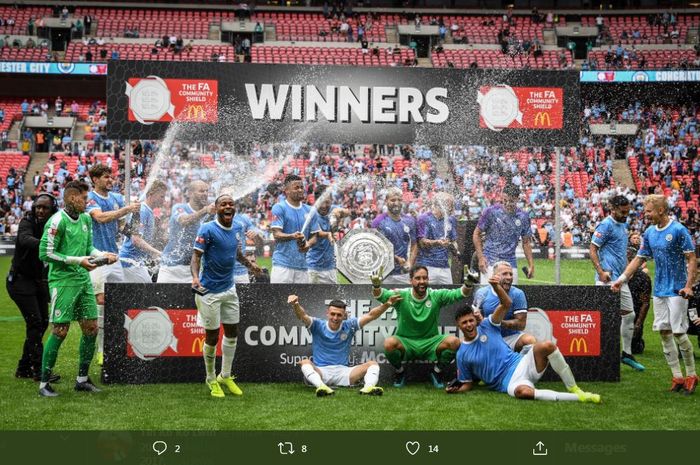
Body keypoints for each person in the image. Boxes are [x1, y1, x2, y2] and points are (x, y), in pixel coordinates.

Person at [448, 275, 601, 403]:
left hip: (522, 363)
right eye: (464, 323)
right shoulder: (462, 353)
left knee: (547, 345)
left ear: (475, 320)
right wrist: (453, 390)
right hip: (508, 383)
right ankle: (578, 398)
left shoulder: (488, 324)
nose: (469, 325)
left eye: (470, 321)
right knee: (524, 393)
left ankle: (574, 388)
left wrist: (496, 287)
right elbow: (467, 384)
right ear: (458, 326)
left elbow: (507, 303)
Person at [38, 181, 118, 397]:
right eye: (84, 198)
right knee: (60, 331)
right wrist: (78, 260)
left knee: (91, 328)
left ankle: (82, 380)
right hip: (62, 282)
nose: (87, 202)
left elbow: (88, 248)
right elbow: (45, 253)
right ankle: (44, 383)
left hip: (83, 280)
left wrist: (102, 255)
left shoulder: (84, 219)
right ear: (72, 198)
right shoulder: (56, 221)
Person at [612, 195, 697, 394]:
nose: (646, 214)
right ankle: (677, 377)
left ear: (660, 210)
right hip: (659, 290)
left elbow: (692, 258)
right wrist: (622, 278)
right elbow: (639, 258)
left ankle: (692, 375)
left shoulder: (678, 230)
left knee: (678, 332)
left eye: (649, 210)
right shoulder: (649, 232)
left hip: (677, 289)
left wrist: (689, 285)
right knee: (665, 333)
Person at [191, 194, 262, 398]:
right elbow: (196, 256)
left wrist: (251, 266)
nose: (228, 206)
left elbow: (237, 252)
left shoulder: (236, 229)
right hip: (209, 291)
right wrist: (195, 278)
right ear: (217, 208)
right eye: (224, 204)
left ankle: (226, 375)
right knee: (212, 336)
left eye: (231, 204)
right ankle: (211, 378)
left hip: (229, 289)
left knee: (232, 333)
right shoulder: (207, 229)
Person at [372, 264, 474, 388]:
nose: (422, 281)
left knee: (454, 342)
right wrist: (376, 286)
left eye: (425, 278)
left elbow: (460, 294)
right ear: (411, 281)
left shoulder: (436, 295)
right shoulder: (401, 295)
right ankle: (400, 372)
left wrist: (468, 284)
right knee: (389, 343)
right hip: (406, 342)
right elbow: (380, 295)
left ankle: (436, 372)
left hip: (431, 342)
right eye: (418, 278)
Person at [287, 293, 402, 396]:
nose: (335, 318)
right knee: (305, 362)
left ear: (344, 315)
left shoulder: (350, 325)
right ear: (327, 313)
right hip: (321, 372)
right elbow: (302, 316)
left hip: (344, 373)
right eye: (333, 314)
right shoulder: (317, 324)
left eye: (339, 315)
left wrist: (388, 304)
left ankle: (368, 388)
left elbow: (371, 315)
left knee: (372, 363)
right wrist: (296, 304)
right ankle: (321, 387)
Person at [86, 164, 140, 365]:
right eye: (106, 177)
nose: (111, 180)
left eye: (112, 177)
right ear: (95, 179)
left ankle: (117, 345)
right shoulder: (91, 198)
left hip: (114, 256)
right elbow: (100, 218)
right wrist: (127, 209)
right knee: (101, 301)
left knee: (119, 302)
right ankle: (100, 350)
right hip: (97, 256)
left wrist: (134, 224)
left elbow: (121, 226)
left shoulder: (117, 198)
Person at [589, 195, 645, 371]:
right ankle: (599, 357)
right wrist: (600, 271)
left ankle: (626, 354)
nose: (625, 214)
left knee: (628, 315)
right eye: (622, 211)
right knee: (605, 319)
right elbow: (592, 249)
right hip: (606, 279)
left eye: (627, 211)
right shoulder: (605, 225)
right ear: (612, 208)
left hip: (621, 279)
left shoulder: (623, 224)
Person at [7, 194, 58, 381]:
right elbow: (25, 239)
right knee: (36, 323)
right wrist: (50, 245)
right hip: (19, 281)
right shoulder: (26, 221)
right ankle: (39, 370)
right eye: (38, 207)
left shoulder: (54, 223)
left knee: (42, 323)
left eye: (45, 208)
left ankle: (23, 368)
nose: (40, 210)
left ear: (53, 209)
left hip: (37, 281)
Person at [473, 184, 534, 284]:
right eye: (505, 200)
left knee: (511, 297)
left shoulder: (523, 217)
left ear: (517, 199)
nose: (507, 203)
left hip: (510, 263)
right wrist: (480, 258)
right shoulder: (491, 212)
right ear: (502, 197)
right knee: (488, 297)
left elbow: (526, 242)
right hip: (490, 262)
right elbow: (476, 234)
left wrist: (531, 265)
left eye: (511, 201)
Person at [472, 261, 535, 352]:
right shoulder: (482, 293)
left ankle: (520, 364)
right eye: (505, 274)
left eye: (511, 274)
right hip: (488, 336)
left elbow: (521, 325)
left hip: (511, 337)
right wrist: (478, 319)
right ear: (494, 276)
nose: (509, 277)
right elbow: (474, 320)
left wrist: (496, 322)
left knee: (530, 341)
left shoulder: (518, 294)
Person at [157, 180, 213, 283]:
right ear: (190, 193)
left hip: (193, 272)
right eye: (201, 191)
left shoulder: (210, 215)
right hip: (170, 269)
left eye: (206, 191)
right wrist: (205, 210)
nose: (205, 194)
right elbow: (184, 221)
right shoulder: (179, 208)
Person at [119, 181, 167, 283]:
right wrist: (158, 253)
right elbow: (136, 240)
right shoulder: (143, 211)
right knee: (148, 292)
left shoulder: (148, 212)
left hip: (135, 262)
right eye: (161, 196)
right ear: (151, 195)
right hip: (130, 262)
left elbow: (127, 231)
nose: (164, 200)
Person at [270, 174, 312, 283]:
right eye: (296, 187)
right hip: (282, 266)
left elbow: (315, 235)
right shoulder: (279, 207)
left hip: (303, 266)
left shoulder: (309, 210)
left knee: (303, 300)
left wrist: (309, 243)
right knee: (279, 300)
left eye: (302, 187)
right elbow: (276, 234)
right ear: (287, 191)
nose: (300, 190)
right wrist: (292, 236)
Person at [372, 187, 417, 285]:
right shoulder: (377, 222)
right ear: (386, 201)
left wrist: (410, 262)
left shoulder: (410, 221)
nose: (396, 203)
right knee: (385, 300)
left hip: (403, 274)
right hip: (383, 273)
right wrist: (395, 258)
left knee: (405, 300)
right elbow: (375, 248)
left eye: (399, 200)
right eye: (392, 200)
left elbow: (414, 244)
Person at [305, 186, 349, 284]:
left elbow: (347, 212)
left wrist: (340, 212)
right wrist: (329, 234)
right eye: (322, 202)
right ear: (316, 201)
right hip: (313, 267)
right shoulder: (310, 214)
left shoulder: (333, 209)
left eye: (327, 202)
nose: (324, 206)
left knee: (332, 298)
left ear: (331, 200)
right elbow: (318, 233)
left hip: (331, 267)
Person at [416, 192, 459, 284]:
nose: (452, 209)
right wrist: (438, 242)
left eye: (452, 205)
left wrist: (454, 248)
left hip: (445, 266)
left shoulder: (451, 220)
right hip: (427, 266)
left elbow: (454, 241)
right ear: (440, 204)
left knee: (448, 296)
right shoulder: (424, 218)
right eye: (450, 205)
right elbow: (422, 243)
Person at [627, 245, 651, 354]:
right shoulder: (615, 275)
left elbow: (645, 303)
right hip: (618, 310)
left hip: (635, 310)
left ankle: (637, 341)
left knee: (635, 349)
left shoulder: (643, 278)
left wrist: (639, 323)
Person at [232, 204, 262, 284]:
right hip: (220, 272)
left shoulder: (243, 219)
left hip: (241, 271)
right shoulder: (213, 217)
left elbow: (259, 243)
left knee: (244, 296)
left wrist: (256, 235)